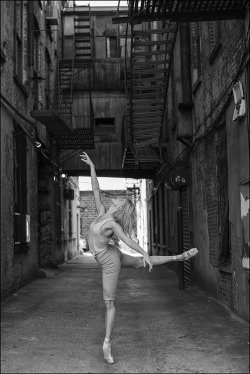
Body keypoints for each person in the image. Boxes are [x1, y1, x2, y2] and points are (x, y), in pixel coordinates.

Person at [80, 152, 198, 364]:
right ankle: (178, 257)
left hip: (110, 262)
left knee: (109, 304)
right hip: (110, 254)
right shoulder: (101, 213)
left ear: (121, 207)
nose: (118, 197)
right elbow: (96, 189)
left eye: (121, 199)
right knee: (141, 264)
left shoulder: (112, 224)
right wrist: (92, 166)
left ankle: (107, 343)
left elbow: (126, 240)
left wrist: (143, 251)